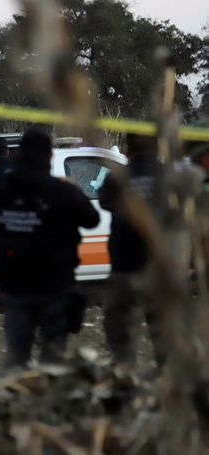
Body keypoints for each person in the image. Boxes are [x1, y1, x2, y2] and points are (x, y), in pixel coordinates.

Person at [0, 127, 100, 368]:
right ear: (50, 157)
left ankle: (20, 397)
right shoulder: (63, 191)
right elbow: (92, 219)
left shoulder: (0, 191)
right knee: (53, 361)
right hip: (55, 288)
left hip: (16, 288)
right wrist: (70, 189)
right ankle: (49, 398)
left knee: (17, 358)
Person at [98, 134, 173, 368]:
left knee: (119, 329)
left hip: (124, 265)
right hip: (158, 266)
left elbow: (103, 201)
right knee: (163, 329)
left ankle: (125, 376)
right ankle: (167, 376)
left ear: (128, 149)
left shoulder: (118, 177)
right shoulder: (168, 176)